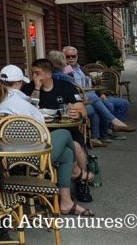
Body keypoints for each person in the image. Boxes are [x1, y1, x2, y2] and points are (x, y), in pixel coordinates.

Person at [0, 64, 94, 216]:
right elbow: (40, 129)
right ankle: (76, 172)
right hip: (25, 156)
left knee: (67, 153)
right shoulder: (21, 103)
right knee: (65, 133)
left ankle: (66, 202)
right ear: (19, 83)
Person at [23, 58, 95, 201]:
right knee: (69, 148)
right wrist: (36, 88)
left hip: (66, 128)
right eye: (32, 73)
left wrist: (78, 113)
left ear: (48, 74)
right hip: (41, 132)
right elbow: (26, 110)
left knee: (75, 145)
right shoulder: (29, 88)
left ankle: (82, 181)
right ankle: (74, 176)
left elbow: (82, 110)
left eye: (37, 73)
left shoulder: (65, 86)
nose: (34, 77)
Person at [62, 46, 134, 140]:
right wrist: (66, 67)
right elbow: (69, 87)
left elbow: (93, 84)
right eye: (68, 56)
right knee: (109, 105)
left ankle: (110, 129)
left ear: (77, 56)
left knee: (124, 103)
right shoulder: (65, 70)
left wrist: (101, 94)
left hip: (94, 95)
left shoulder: (82, 69)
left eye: (73, 56)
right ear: (63, 57)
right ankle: (109, 130)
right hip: (82, 97)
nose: (71, 58)